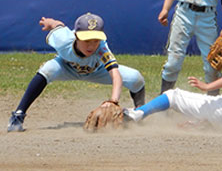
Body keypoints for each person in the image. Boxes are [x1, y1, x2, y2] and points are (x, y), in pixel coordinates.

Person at [8, 12, 145, 132]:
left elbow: (115, 74)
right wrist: (50, 23)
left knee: (136, 78)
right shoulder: (63, 40)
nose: (91, 45)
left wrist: (113, 101)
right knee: (48, 69)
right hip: (66, 68)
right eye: (86, 40)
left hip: (97, 71)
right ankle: (19, 114)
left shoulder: (102, 48)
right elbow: (58, 26)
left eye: (95, 40)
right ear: (76, 36)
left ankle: (141, 112)